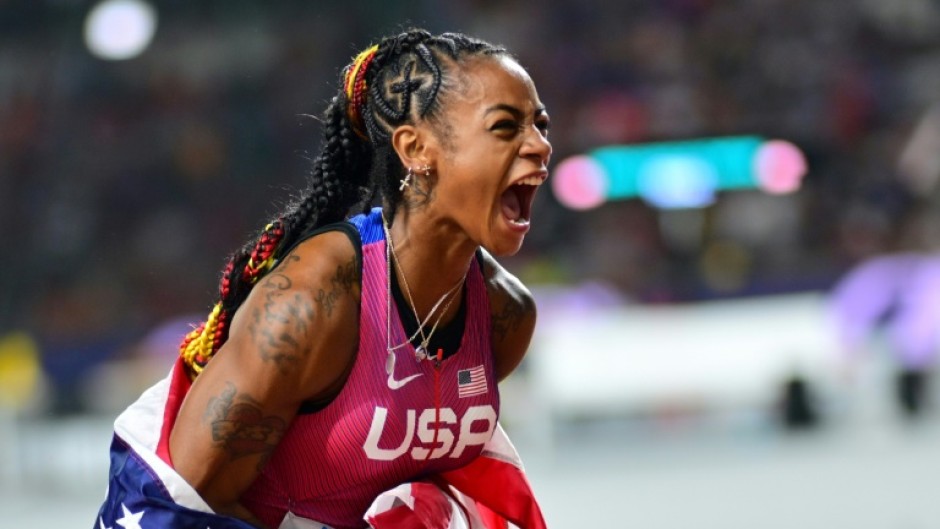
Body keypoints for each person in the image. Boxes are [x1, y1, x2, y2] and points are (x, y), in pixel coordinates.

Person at [94, 28, 552, 529]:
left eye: (541, 125)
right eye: (506, 127)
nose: (540, 146)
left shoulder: (506, 315)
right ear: (417, 148)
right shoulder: (314, 300)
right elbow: (184, 504)